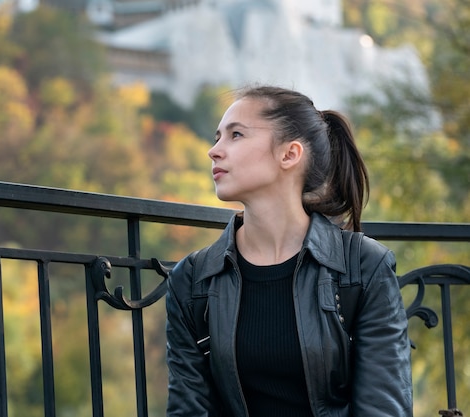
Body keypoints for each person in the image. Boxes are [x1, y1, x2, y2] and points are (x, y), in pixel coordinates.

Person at [165, 85, 413, 416]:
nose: (214, 150)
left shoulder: (363, 268)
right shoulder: (193, 281)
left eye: (236, 135)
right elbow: (188, 410)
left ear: (289, 154)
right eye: (217, 137)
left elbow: (381, 408)